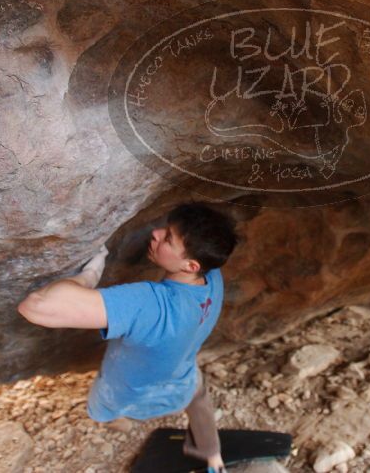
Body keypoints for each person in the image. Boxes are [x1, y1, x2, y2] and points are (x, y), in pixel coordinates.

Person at [18, 201, 238, 473]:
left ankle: (123, 420)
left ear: (191, 265)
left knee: (99, 411)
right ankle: (212, 453)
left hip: (127, 392)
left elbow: (36, 306)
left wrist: (89, 275)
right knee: (197, 390)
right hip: (180, 384)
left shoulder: (151, 304)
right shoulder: (212, 275)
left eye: (168, 238)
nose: (155, 233)